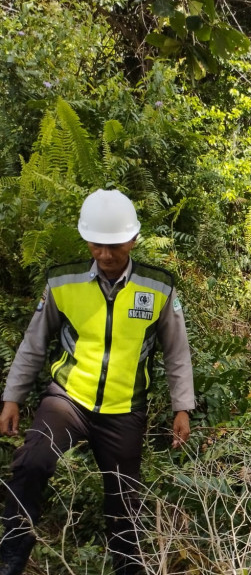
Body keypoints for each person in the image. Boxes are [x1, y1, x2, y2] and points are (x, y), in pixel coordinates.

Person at [0, 189, 195, 575]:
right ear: (86, 239)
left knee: (124, 497)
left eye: (115, 246)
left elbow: (177, 352)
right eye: (97, 245)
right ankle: (12, 554)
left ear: (133, 239)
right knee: (31, 463)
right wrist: (11, 398)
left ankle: (127, 567)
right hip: (68, 400)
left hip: (124, 409)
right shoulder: (63, 281)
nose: (105, 255)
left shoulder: (157, 286)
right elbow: (34, 343)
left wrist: (182, 407)